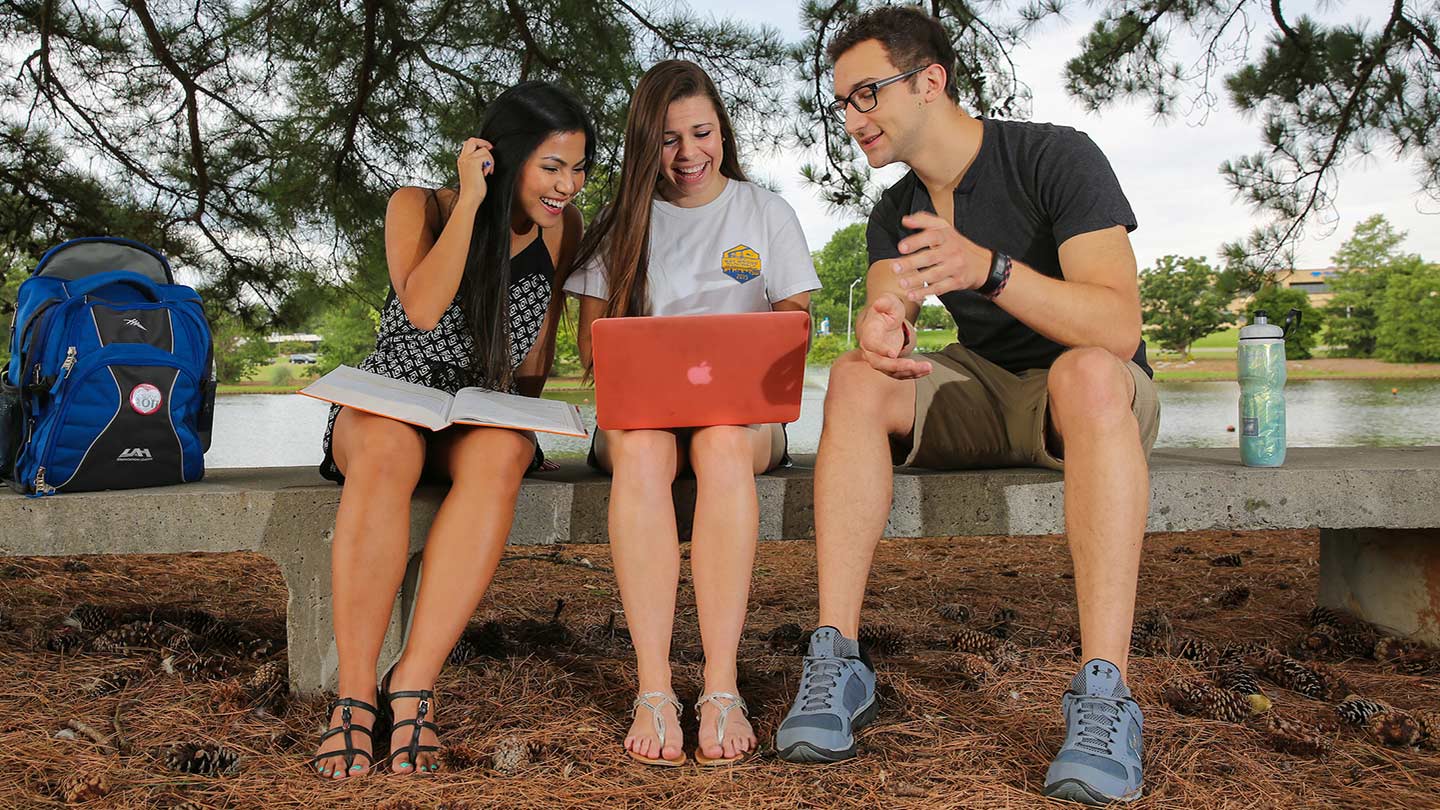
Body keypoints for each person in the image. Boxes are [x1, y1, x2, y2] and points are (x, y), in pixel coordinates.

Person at [774, 8, 1159, 806]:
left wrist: (990, 270)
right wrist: (884, 321)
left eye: (866, 94)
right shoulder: (897, 208)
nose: (852, 119)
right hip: (984, 385)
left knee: (1085, 372)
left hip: (1091, 394)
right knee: (852, 377)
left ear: (930, 81)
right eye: (841, 103)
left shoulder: (1055, 157)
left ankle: (1104, 697)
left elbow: (1119, 327)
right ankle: (835, 660)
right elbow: (891, 296)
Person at [309, 81, 592, 779]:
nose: (568, 185)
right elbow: (426, 306)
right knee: (387, 445)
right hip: (387, 405)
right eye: (552, 167)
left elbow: (536, 344)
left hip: (477, 416)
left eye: (579, 168)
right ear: (507, 155)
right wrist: (470, 200)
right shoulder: (420, 205)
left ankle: (412, 687)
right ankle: (352, 700)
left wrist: (529, 419)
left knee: (503, 453)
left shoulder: (566, 228)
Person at [565, 60, 820, 767]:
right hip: (639, 420)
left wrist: (734, 358)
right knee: (646, 448)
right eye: (668, 140)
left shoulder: (765, 211)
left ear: (722, 131)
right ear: (646, 145)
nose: (687, 155)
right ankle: (653, 687)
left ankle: (719, 685)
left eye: (701, 133)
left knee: (719, 443)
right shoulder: (622, 222)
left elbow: (792, 327)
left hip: (741, 420)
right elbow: (594, 346)